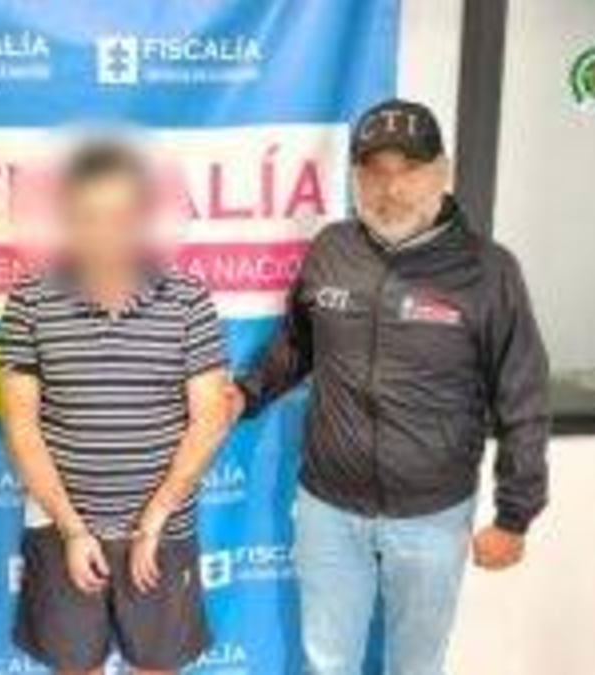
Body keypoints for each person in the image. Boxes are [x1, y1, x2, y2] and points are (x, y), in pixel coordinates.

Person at [231, 99, 551, 675]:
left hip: (432, 517)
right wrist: (246, 393)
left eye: (409, 169)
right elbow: (297, 346)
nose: (391, 188)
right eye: (375, 171)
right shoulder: (331, 250)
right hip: (329, 508)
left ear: (443, 172)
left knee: (417, 666)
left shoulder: (489, 271)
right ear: (355, 177)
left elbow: (523, 397)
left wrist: (515, 515)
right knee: (327, 662)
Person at [0, 141, 231, 675]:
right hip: (62, 529)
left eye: (121, 217)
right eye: (89, 217)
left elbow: (210, 419)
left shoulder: (188, 298)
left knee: (156, 666)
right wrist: (73, 530)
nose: (105, 234)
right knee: (76, 667)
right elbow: (21, 426)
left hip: (162, 531)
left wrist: (155, 519)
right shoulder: (30, 299)